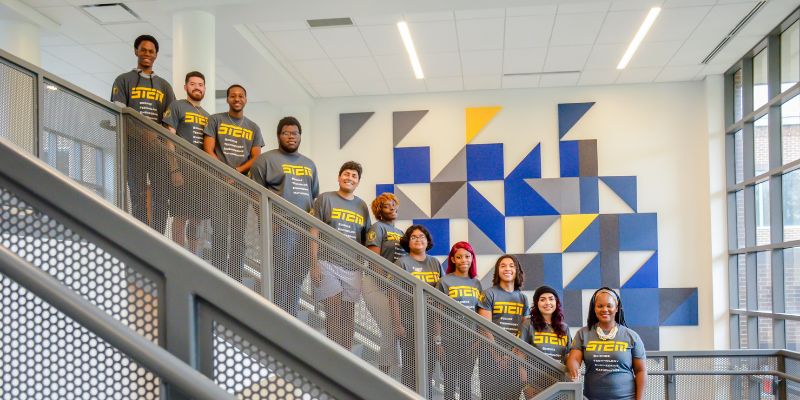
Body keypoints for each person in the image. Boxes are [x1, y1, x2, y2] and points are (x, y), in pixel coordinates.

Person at [250, 116, 319, 316]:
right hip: (279, 227)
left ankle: (292, 317)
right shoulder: (266, 160)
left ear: (300, 136)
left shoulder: (310, 164)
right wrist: (267, 220)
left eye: (295, 133)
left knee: (297, 276)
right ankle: (276, 318)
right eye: (286, 133)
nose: (291, 137)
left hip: (304, 231)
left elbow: (312, 197)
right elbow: (254, 194)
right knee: (279, 275)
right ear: (279, 135)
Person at [111, 34, 175, 235]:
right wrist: (141, 134)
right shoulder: (123, 80)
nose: (147, 54)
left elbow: (170, 121)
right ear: (136, 51)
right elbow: (119, 112)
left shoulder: (164, 86)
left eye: (151, 51)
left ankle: (158, 236)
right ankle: (141, 235)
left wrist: (156, 137)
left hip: (157, 149)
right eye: (143, 50)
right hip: (133, 147)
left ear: (156, 55)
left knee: (161, 195)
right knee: (137, 194)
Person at [203, 84, 264, 280]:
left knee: (239, 233)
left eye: (241, 96)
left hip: (240, 186)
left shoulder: (253, 127)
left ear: (245, 100)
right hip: (218, 183)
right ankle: (219, 276)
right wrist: (224, 170)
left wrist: (237, 171)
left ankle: (235, 276)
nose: (237, 99)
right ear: (227, 99)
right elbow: (208, 149)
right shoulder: (216, 120)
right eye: (233, 96)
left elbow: (256, 156)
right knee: (219, 231)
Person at [309, 161, 370, 350]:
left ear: (358, 182)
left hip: (352, 268)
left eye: (354, 176)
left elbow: (366, 239)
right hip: (327, 263)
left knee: (348, 314)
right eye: (346, 174)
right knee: (333, 311)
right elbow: (314, 231)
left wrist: (363, 267)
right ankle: (333, 355)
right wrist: (314, 264)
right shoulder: (325, 199)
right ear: (339, 177)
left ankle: (347, 356)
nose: (349, 178)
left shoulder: (362, 206)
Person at [566, 287, 647, 400]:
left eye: (609, 305)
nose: (605, 309)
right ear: (594, 308)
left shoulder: (631, 336)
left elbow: (641, 371)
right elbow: (574, 359)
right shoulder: (583, 334)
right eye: (600, 306)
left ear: (617, 308)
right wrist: (574, 369)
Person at [162, 71, 210, 253]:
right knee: (181, 215)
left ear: (204, 88)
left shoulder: (207, 115)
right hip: (181, 168)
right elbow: (169, 138)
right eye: (193, 84)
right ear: (185, 87)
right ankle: (178, 254)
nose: (196, 87)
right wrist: (174, 169)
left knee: (197, 217)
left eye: (200, 84)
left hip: (201, 173)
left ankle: (192, 255)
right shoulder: (177, 106)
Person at [394, 224, 443, 393]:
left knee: (428, 367)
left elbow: (442, 297)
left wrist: (439, 329)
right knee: (409, 366)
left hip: (430, 323)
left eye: (421, 236)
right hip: (408, 321)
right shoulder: (402, 263)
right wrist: (397, 323)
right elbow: (393, 295)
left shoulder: (435, 263)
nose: (418, 240)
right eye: (414, 237)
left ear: (427, 240)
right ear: (408, 241)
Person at [363, 192, 405, 373]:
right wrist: (386, 286)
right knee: (389, 330)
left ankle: (393, 376)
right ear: (380, 211)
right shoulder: (377, 227)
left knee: (393, 333)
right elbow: (374, 260)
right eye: (387, 206)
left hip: (393, 289)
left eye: (394, 204)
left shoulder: (402, 233)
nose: (392, 208)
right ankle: (383, 377)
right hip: (375, 284)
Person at [476, 254, 528, 400]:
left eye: (511, 266)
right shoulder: (489, 293)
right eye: (503, 265)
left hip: (513, 357)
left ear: (517, 270)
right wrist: (498, 356)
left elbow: (523, 332)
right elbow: (485, 328)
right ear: (497, 270)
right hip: (490, 356)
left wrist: (511, 356)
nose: (507, 269)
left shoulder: (522, 298)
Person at [436, 241, 482, 400]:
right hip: (449, 340)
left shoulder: (476, 283)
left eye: (467, 256)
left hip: (470, 341)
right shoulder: (444, 282)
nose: (464, 260)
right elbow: (437, 313)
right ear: (453, 259)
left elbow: (480, 315)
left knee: (465, 382)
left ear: (472, 258)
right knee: (449, 382)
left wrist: (478, 341)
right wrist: (438, 342)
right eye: (459, 257)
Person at [519, 286, 571, 363]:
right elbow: (520, 354)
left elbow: (568, 355)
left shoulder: (564, 328)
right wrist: (524, 375)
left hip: (559, 374)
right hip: (532, 374)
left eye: (551, 299)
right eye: (542, 300)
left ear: (556, 302)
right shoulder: (528, 324)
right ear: (537, 303)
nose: (547, 303)